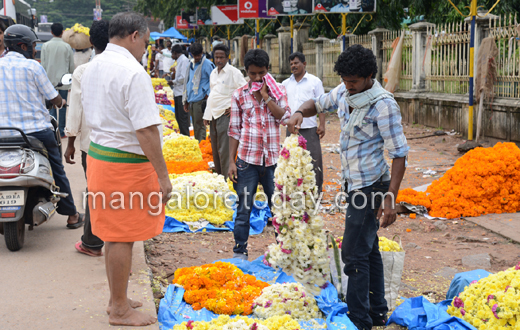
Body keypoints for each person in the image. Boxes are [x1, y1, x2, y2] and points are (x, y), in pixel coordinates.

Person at [287, 44, 409, 330]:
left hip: (372, 186)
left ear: (368, 76)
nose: (347, 86)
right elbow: (316, 104)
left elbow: (400, 154)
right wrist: (297, 113)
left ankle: (359, 320)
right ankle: (377, 312)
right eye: (344, 80)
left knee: (352, 254)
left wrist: (390, 199)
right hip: (354, 184)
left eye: (353, 81)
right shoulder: (343, 92)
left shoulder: (383, 104)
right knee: (369, 249)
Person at [81, 12, 171, 326]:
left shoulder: (94, 65)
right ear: (134, 35)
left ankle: (116, 297)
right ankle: (119, 309)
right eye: (145, 43)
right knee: (121, 236)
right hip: (124, 164)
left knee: (115, 235)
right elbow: (146, 130)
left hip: (101, 156)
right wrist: (163, 176)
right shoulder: (133, 72)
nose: (145, 50)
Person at [0, 24, 84, 229]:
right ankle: (72, 215)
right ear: (22, 46)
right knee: (57, 169)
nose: (34, 49)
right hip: (36, 133)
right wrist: (60, 103)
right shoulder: (33, 67)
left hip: (2, 134)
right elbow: (54, 98)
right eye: (32, 45)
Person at [228, 49, 291, 260]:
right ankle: (240, 250)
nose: (257, 78)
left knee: (278, 209)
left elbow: (285, 118)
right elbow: (234, 130)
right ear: (246, 72)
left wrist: (266, 96)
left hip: (273, 161)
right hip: (247, 160)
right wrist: (231, 161)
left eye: (261, 73)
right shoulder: (239, 95)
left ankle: (283, 252)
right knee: (244, 207)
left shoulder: (278, 90)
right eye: (253, 74)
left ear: (267, 71)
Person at [64, 20, 110, 257]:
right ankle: (115, 239)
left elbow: (75, 109)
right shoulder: (125, 68)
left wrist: (70, 142)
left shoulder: (83, 71)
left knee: (94, 190)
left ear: (91, 42)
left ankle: (91, 242)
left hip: (91, 145)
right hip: (120, 146)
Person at [282, 52, 325, 193]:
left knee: (313, 161)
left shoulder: (315, 82)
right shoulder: (285, 84)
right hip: (292, 130)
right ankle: (295, 191)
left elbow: (322, 104)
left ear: (304, 64)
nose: (293, 66)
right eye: (291, 64)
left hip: (310, 129)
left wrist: (322, 125)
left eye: (296, 63)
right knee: (292, 161)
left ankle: (316, 192)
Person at [203, 44, 247, 179]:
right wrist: (207, 114)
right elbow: (212, 95)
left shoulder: (234, 72)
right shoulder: (213, 73)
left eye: (221, 57)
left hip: (226, 115)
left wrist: (235, 108)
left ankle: (228, 179)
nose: (218, 60)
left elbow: (245, 91)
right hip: (213, 115)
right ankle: (220, 178)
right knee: (215, 149)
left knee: (225, 149)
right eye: (216, 57)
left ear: (228, 57)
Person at [41, 22, 75, 138]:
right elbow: (71, 66)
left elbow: (43, 65)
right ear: (62, 32)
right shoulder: (67, 46)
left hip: (49, 81)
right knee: (63, 106)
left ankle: (53, 130)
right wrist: (71, 82)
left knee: (52, 106)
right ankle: (61, 131)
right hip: (64, 81)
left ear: (51, 32)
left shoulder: (45, 46)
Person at [183, 42, 214, 142]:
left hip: (200, 100)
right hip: (192, 98)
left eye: (198, 55)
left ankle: (202, 145)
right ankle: (199, 144)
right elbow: (188, 82)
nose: (196, 57)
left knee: (200, 125)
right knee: (196, 124)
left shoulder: (207, 64)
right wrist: (186, 99)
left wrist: (207, 94)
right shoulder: (191, 64)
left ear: (202, 53)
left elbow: (213, 81)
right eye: (194, 55)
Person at [169, 44, 190, 136]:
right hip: (177, 92)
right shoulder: (179, 61)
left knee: (182, 118)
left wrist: (173, 82)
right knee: (178, 117)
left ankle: (185, 136)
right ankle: (182, 135)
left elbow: (183, 77)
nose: (171, 56)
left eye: (172, 54)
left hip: (182, 93)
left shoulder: (184, 60)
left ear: (175, 53)